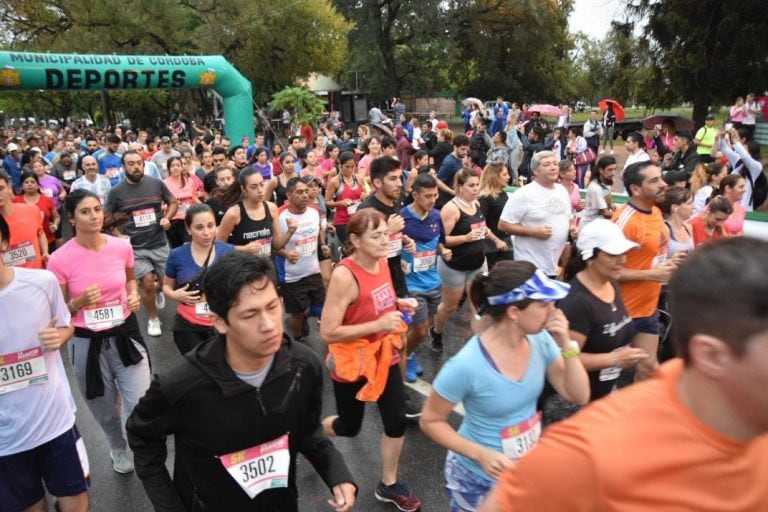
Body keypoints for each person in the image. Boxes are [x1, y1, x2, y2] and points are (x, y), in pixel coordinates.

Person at [478, 237, 768, 512]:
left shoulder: (611, 289)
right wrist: (604, 356)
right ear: (712, 355)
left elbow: (577, 387)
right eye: (614, 254)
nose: (622, 260)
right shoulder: (584, 456)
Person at [127, 251, 357, 511]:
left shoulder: (304, 366)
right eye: (249, 315)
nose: (269, 325)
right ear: (220, 322)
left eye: (272, 307)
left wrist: (336, 472)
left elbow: (307, 429)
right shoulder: (181, 384)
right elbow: (142, 438)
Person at [420, 261, 589, 511]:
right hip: (476, 478)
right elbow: (430, 421)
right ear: (514, 312)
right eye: (544, 304)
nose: (554, 310)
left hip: (524, 469)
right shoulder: (466, 365)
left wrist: (566, 344)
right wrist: (480, 454)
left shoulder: (540, 340)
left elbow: (578, 394)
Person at [319, 209, 422, 512]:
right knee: (349, 426)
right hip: (352, 360)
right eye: (375, 235)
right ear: (355, 240)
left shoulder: (381, 261)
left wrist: (398, 305)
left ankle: (388, 485)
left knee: (396, 421)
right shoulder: (343, 275)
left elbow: (378, 301)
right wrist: (379, 324)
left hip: (383, 356)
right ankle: (309, 434)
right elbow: (328, 331)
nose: (384, 240)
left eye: (384, 233)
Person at [47, 189, 150, 475]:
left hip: (125, 332)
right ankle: (117, 446)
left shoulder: (121, 247)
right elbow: (59, 313)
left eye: (96, 209)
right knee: (104, 409)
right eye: (85, 211)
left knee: (140, 401)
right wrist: (78, 303)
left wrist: (134, 295)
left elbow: (130, 281)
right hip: (86, 341)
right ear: (71, 217)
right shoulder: (60, 259)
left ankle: (143, 450)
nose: (94, 216)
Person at [0, 215, 89, 512]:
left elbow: (66, 325)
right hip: (6, 438)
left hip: (54, 421)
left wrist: (58, 337)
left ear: (3, 242)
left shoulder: (41, 282)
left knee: (77, 504)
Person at [557, 219, 644, 405]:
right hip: (577, 402)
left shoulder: (611, 283)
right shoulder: (575, 302)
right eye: (614, 254)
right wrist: (613, 359)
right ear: (590, 257)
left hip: (605, 392)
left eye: (624, 253)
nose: (623, 260)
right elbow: (564, 359)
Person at [612, 161, 684, 381]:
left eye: (661, 178)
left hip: (648, 307)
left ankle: (636, 413)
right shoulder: (623, 221)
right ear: (635, 189)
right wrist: (652, 275)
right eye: (654, 181)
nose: (663, 184)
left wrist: (670, 264)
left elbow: (651, 256)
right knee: (608, 373)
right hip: (621, 311)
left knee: (649, 368)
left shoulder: (654, 211)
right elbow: (606, 272)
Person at [105, 150, 178, 337]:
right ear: (123, 167)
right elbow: (107, 218)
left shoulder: (156, 184)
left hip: (159, 242)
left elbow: (173, 202)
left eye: (139, 163)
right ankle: (153, 319)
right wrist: (118, 235)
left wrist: (167, 218)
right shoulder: (116, 192)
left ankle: (158, 290)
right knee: (146, 284)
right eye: (131, 163)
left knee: (165, 282)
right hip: (135, 248)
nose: (136, 166)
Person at [163, 203, 235, 354]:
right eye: (199, 227)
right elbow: (166, 286)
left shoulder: (228, 251)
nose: (207, 232)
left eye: (211, 226)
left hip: (222, 323)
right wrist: (175, 294)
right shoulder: (177, 255)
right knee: (198, 369)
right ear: (189, 229)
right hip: (188, 326)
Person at [430, 169, 488, 351]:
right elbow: (440, 240)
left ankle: (478, 347)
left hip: (478, 262)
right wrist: (466, 238)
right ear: (460, 187)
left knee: (477, 305)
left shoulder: (476, 203)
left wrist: (491, 236)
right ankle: (436, 331)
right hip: (455, 266)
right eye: (471, 185)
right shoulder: (451, 209)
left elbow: (481, 228)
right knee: (450, 306)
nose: (476, 189)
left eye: (477, 184)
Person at [401, 174, 448, 382]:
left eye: (435, 196)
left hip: (433, 282)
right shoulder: (402, 217)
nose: (432, 200)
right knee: (420, 330)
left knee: (423, 325)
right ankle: (403, 358)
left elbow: (440, 242)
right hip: (411, 284)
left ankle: (405, 350)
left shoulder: (436, 216)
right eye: (427, 196)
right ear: (415, 194)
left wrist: (444, 251)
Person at [499, 151, 572, 279]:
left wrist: (572, 229)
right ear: (535, 171)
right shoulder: (523, 194)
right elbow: (503, 225)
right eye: (547, 164)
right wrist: (534, 231)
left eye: (555, 163)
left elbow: (567, 219)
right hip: (530, 267)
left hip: (553, 265)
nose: (553, 167)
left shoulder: (562, 191)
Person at [276, 177, 328, 341]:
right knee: (296, 314)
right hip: (291, 276)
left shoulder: (314, 211)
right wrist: (285, 253)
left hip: (313, 270)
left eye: (306, 191)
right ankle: (297, 340)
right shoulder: (279, 215)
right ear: (289, 194)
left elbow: (318, 229)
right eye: (299, 192)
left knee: (321, 309)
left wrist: (323, 245)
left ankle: (305, 315)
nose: (305, 195)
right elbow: (272, 245)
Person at [217, 167, 292, 257]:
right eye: (254, 187)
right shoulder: (234, 213)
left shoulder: (271, 208)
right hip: (244, 268)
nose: (260, 190)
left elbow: (276, 245)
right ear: (244, 189)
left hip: (268, 268)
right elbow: (218, 247)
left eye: (261, 184)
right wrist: (244, 249)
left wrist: (290, 231)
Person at [0, 172, 48, 269]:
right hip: (8, 281)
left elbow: (40, 233)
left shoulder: (32, 210)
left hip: (37, 276)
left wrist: (45, 252)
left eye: (1, 189)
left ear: (9, 187)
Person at [478, 162, 513, 270]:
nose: (508, 177)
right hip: (491, 246)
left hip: (506, 242)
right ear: (495, 177)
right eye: (505, 174)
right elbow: (480, 224)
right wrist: (496, 240)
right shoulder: (484, 197)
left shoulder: (503, 194)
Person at [326, 151, 364, 245]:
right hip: (342, 222)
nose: (350, 170)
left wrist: (364, 196)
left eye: (353, 166)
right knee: (350, 248)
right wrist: (340, 203)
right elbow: (327, 202)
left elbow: (363, 194)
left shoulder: (358, 178)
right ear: (340, 165)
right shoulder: (334, 181)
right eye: (347, 167)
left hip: (358, 220)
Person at [14, 171, 59, 251]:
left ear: (38, 185)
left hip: (48, 240)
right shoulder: (16, 201)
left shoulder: (46, 200)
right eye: (26, 182)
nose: (29, 184)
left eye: (33, 182)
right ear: (22, 186)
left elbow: (57, 217)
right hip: (26, 244)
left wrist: (55, 226)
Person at [163, 156, 202, 248]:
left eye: (178, 165)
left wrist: (203, 207)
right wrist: (171, 205)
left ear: (182, 167)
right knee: (177, 248)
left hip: (188, 219)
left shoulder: (191, 181)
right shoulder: (164, 183)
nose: (176, 168)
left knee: (188, 245)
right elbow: (161, 204)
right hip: (173, 220)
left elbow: (194, 198)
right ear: (169, 168)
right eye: (172, 166)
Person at [436, 135, 471, 209]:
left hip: (458, 198)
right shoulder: (449, 162)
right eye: (462, 149)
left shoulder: (461, 158)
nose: (465, 152)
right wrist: (452, 192)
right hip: (448, 201)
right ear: (455, 147)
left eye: (466, 150)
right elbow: (438, 180)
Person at [660, 186, 695, 258]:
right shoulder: (664, 229)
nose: (694, 207)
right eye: (689, 203)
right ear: (675, 207)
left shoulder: (688, 227)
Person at [582, 156, 617, 226]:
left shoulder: (607, 181)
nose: (613, 173)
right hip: (591, 227)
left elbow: (605, 198)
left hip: (601, 224)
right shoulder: (595, 188)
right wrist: (621, 213)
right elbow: (605, 213)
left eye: (614, 169)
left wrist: (611, 204)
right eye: (610, 170)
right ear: (601, 170)